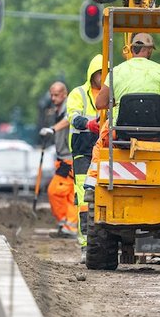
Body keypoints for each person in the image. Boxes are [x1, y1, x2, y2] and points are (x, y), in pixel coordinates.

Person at [85, 32, 160, 192]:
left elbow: (100, 103)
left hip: (121, 134)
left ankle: (91, 183)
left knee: (99, 145)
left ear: (131, 49)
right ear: (150, 50)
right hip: (156, 134)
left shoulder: (116, 72)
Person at [66, 54, 103, 261]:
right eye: (99, 74)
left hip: (104, 150)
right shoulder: (78, 93)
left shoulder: (111, 93)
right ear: (92, 74)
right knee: (83, 198)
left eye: (104, 73)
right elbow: (72, 116)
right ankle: (85, 244)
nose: (102, 77)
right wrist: (88, 124)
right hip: (83, 152)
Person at [40, 81, 78, 238]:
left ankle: (69, 226)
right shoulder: (57, 110)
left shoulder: (69, 107)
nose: (53, 98)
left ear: (65, 94)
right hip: (63, 159)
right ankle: (67, 226)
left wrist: (52, 129)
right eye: (52, 95)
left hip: (69, 160)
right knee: (67, 194)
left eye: (56, 95)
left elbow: (70, 119)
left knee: (56, 191)